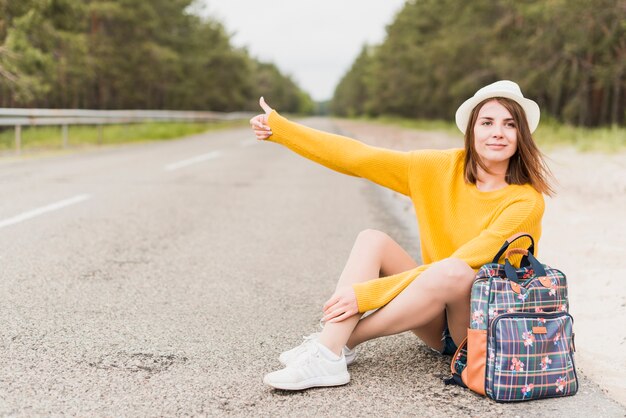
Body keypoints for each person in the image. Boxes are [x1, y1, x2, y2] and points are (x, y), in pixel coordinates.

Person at [249, 80, 554, 391]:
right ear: (472, 130)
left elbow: (463, 262)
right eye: (487, 122)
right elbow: (360, 158)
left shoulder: (526, 202)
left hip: (479, 331)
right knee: (372, 239)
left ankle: (334, 342)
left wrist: (367, 295)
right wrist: (281, 131)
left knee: (455, 269)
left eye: (510, 124)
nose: (497, 132)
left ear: (522, 136)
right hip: (436, 316)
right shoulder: (439, 167)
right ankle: (329, 351)